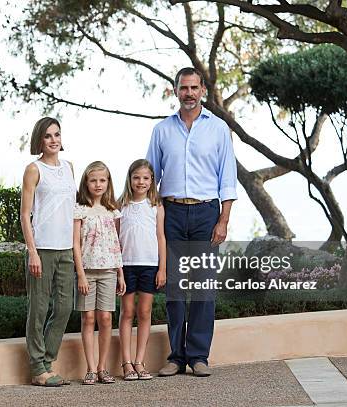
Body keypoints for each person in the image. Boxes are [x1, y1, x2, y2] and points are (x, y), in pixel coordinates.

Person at [146, 67, 238, 377]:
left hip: (205, 213)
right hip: (171, 213)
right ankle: (175, 356)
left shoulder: (218, 129)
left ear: (203, 91)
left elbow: (228, 178)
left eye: (194, 87)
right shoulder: (162, 130)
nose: (189, 93)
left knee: (202, 288)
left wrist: (223, 220)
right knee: (173, 287)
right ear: (175, 91)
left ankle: (198, 356)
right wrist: (152, 220)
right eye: (184, 88)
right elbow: (150, 179)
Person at [20, 117, 76, 387]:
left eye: (57, 134)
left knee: (65, 306)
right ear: (40, 140)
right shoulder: (33, 169)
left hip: (66, 248)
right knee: (39, 308)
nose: (54, 140)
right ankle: (37, 368)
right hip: (42, 247)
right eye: (48, 136)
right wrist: (32, 252)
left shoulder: (69, 168)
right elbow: (25, 214)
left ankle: (47, 361)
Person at [73, 161, 126, 385]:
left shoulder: (113, 211)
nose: (98, 184)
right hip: (87, 271)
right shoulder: (80, 209)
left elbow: (116, 244)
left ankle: (103, 368)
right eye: (93, 180)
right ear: (86, 182)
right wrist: (81, 274)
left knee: (105, 318)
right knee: (88, 319)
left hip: (109, 271)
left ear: (108, 183)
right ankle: (91, 368)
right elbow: (75, 244)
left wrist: (120, 274)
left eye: (102, 180)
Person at [117, 159, 166, 381]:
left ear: (152, 181)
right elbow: (115, 239)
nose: (141, 182)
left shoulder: (156, 206)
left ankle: (140, 361)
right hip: (126, 265)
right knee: (127, 312)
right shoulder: (121, 205)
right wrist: (117, 270)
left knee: (144, 312)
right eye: (136, 177)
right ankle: (126, 363)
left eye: (146, 178)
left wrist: (162, 268)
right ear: (130, 179)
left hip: (149, 265)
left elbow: (160, 237)